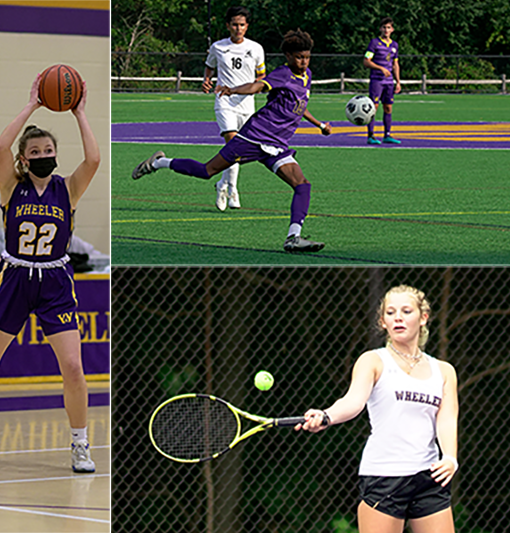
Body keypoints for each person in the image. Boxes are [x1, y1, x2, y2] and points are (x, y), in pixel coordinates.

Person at [0, 73, 100, 473]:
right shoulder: (11, 187)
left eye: (49, 148)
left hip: (54, 280)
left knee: (73, 367)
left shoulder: (68, 188)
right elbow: (0, 144)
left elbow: (95, 159)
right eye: (36, 150)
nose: (44, 154)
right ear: (24, 158)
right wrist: (32, 103)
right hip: (15, 278)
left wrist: (78, 112)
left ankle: (80, 444)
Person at [133, 29, 330, 253]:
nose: (303, 61)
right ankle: (159, 162)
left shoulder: (307, 76)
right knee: (206, 171)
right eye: (298, 57)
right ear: (288, 56)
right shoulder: (283, 74)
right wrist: (233, 90)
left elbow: (300, 105)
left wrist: (319, 124)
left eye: (306, 57)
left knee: (302, 185)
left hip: (277, 146)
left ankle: (293, 237)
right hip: (254, 138)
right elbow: (256, 86)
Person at [298, 285, 458, 533]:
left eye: (406, 311)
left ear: (423, 317)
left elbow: (446, 419)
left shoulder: (444, 371)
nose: (398, 318)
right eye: (391, 313)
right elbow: (353, 402)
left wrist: (450, 458)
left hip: (429, 478)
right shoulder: (373, 360)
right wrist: (327, 415)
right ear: (383, 321)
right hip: (384, 477)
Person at [202, 6, 265, 211]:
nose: (238, 28)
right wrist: (207, 80)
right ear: (228, 26)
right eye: (235, 25)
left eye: (242, 25)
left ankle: (222, 184)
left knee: (237, 150)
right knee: (233, 144)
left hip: (247, 105)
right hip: (224, 103)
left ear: (247, 27)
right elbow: (209, 66)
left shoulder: (256, 48)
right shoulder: (218, 47)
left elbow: (261, 75)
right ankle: (233, 191)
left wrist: (257, 86)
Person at [364, 17, 401, 145]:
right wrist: (380, 68)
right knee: (373, 108)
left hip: (389, 82)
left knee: (388, 108)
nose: (386, 30)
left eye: (389, 27)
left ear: (392, 29)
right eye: (384, 27)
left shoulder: (394, 45)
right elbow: (366, 61)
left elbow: (395, 65)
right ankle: (371, 135)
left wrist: (398, 81)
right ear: (380, 29)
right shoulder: (374, 43)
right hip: (377, 81)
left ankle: (387, 135)